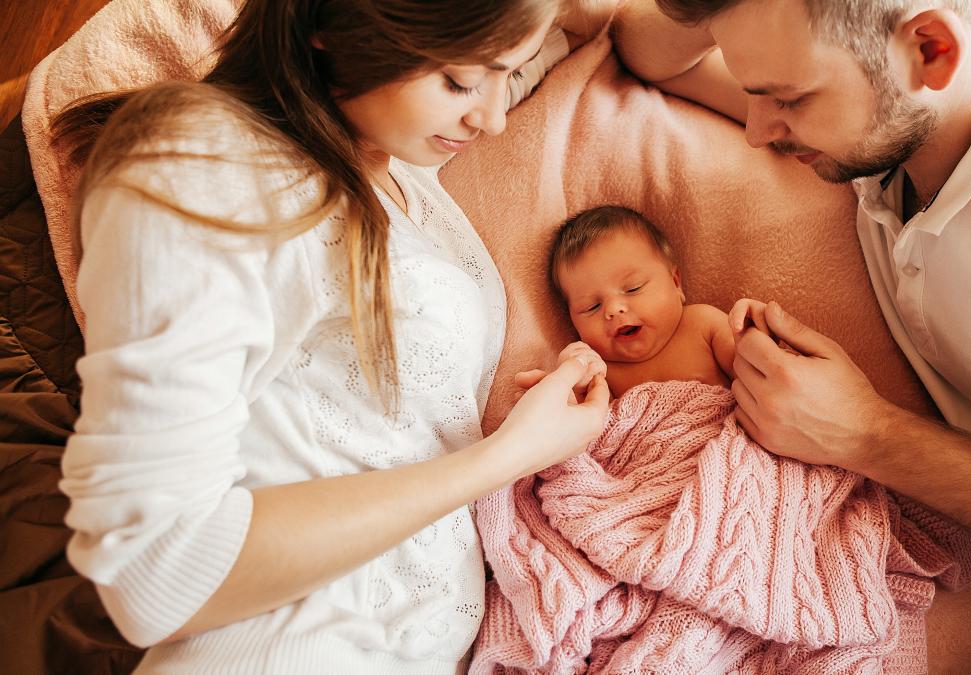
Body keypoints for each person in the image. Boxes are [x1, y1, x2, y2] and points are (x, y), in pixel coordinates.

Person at [612, 0, 971, 669]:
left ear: (931, 50)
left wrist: (865, 434)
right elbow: (646, 45)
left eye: (789, 98)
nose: (756, 131)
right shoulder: (902, 114)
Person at [52, 0, 617, 672]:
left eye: (508, 74)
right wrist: (506, 456)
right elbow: (154, 576)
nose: (492, 117)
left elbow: (610, 30)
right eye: (463, 82)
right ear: (337, 27)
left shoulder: (388, 152)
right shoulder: (201, 166)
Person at [538, 205, 736, 397]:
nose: (614, 309)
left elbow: (758, 365)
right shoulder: (601, 372)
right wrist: (573, 381)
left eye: (634, 288)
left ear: (676, 283)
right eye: (592, 307)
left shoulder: (703, 325)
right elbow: (586, 424)